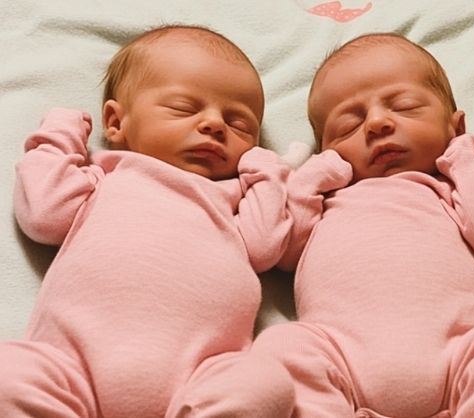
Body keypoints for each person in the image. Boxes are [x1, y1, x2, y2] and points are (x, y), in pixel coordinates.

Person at [0, 24, 297, 417]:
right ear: (116, 123)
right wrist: (59, 135)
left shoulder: (230, 200)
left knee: (265, 382)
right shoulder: (105, 177)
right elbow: (43, 214)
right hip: (73, 370)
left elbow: (264, 247)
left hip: (198, 379)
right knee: (10, 372)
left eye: (239, 123)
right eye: (184, 108)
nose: (214, 124)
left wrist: (267, 173)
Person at [258, 33, 474, 417]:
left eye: (405, 107)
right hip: (341, 358)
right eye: (349, 125)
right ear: (325, 150)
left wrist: (463, 157)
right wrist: (310, 181)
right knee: (280, 347)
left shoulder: (455, 185)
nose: (377, 123)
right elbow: (284, 254)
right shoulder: (330, 197)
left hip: (459, 356)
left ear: (455, 127)